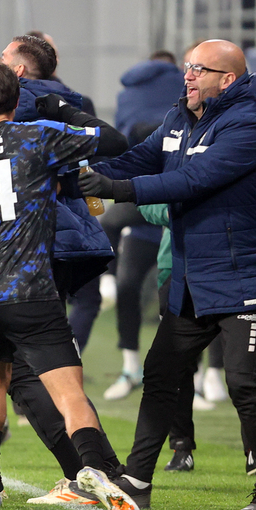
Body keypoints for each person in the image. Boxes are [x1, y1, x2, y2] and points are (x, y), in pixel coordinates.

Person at [79, 39, 256, 510]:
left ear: (227, 79)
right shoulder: (180, 117)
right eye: (187, 66)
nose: (188, 75)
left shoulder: (246, 125)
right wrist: (88, 174)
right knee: (161, 375)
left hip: (242, 275)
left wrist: (116, 189)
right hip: (193, 275)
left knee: (242, 382)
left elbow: (193, 180)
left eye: (199, 68)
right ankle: (136, 479)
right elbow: (143, 157)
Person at [0, 58, 137, 510]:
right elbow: (115, 141)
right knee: (68, 389)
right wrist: (61, 109)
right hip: (29, 289)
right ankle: (92, 468)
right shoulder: (38, 137)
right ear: (19, 101)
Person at [100, 50, 185, 400]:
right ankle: (194, 373)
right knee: (182, 297)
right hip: (171, 209)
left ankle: (133, 364)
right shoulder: (179, 89)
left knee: (129, 285)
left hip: (145, 204)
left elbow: (122, 144)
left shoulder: (129, 94)